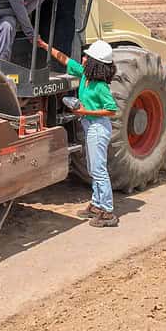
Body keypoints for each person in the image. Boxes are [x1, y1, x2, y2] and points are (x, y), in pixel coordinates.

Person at [38, 37, 119, 227]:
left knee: (98, 170)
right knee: (93, 167)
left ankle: (107, 211)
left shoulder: (100, 86)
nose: (83, 58)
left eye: (87, 57)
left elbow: (112, 110)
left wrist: (84, 112)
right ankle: (96, 204)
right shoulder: (85, 75)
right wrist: (44, 45)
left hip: (98, 127)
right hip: (90, 126)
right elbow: (65, 59)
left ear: (95, 63)